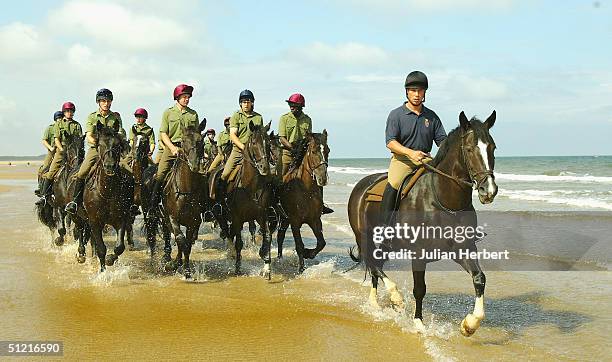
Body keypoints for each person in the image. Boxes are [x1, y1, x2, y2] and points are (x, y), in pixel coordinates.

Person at [381, 71, 447, 224]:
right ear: (407, 92)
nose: (417, 94)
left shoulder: (432, 116)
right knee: (395, 184)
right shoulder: (396, 115)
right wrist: (410, 153)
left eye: (420, 90)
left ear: (424, 92)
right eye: (413, 90)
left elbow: (442, 141)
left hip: (426, 159)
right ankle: (384, 228)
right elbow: (390, 142)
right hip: (403, 161)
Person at [65, 88, 128, 214]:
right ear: (98, 102)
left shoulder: (116, 117)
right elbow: (88, 135)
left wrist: (120, 142)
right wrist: (98, 143)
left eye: (108, 101)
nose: (106, 103)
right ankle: (75, 202)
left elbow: (120, 132)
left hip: (113, 151)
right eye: (103, 101)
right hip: (96, 149)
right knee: (82, 172)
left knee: (128, 172)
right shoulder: (92, 117)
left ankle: (127, 204)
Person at [147, 84, 199, 215]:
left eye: (188, 97)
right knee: (160, 173)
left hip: (189, 150)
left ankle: (205, 207)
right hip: (172, 148)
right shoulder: (168, 112)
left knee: (201, 174)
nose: (187, 99)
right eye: (184, 97)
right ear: (177, 97)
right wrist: (172, 148)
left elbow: (196, 134)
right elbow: (163, 133)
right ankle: (154, 205)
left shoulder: (193, 114)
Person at [278, 93, 333, 214]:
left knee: (317, 172)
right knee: (280, 177)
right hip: (288, 152)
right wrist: (292, 148)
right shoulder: (284, 118)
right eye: (290, 104)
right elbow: (282, 138)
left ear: (301, 106)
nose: (291, 107)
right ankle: (276, 202)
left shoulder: (307, 119)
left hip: (303, 152)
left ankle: (321, 203)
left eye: (294, 105)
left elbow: (309, 138)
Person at [35, 111, 63, 195]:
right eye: (58, 118)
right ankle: (41, 188)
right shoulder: (50, 128)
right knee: (45, 168)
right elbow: (44, 140)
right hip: (52, 151)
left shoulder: (64, 127)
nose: (59, 120)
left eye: (61, 118)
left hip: (63, 151)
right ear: (55, 119)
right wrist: (50, 148)